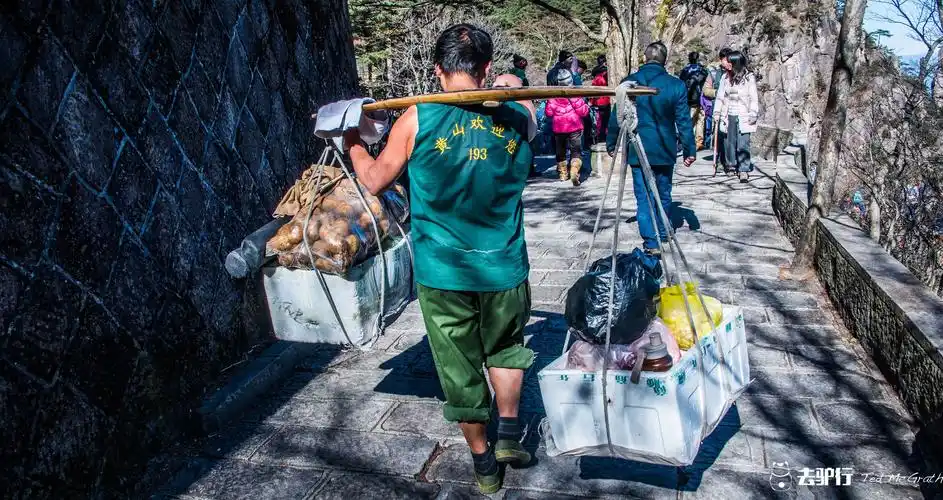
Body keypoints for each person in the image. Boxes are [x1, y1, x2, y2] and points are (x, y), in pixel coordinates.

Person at [343, 24, 537, 494]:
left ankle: (484, 464)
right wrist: (510, 87)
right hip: (504, 264)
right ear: (487, 68)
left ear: (437, 70)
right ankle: (509, 432)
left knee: (459, 365)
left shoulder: (417, 118)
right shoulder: (517, 115)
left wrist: (350, 139)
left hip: (444, 271)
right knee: (506, 346)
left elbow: (374, 180)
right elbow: (526, 103)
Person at [606, 41, 696, 256]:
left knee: (644, 195)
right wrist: (689, 149)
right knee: (664, 193)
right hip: (665, 147)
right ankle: (664, 231)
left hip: (638, 146)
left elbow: (617, 115)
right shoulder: (676, 85)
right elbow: (683, 121)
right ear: (665, 60)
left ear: (645, 58)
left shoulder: (629, 82)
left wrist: (611, 142)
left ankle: (651, 241)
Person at [712, 50, 759, 182]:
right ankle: (731, 165)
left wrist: (753, 113)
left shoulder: (749, 78)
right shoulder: (725, 78)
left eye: (731, 62)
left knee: (743, 143)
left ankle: (743, 169)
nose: (728, 64)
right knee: (729, 143)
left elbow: (753, 98)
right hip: (729, 114)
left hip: (744, 115)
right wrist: (717, 112)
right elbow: (720, 97)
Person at [545, 68, 589, 186]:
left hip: (559, 128)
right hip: (575, 126)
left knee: (561, 152)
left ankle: (563, 174)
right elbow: (584, 112)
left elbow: (548, 113)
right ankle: (574, 170)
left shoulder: (553, 96)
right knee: (576, 151)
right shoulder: (575, 95)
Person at [703, 48, 732, 170]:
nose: (727, 62)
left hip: (733, 108)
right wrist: (718, 93)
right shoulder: (714, 72)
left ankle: (731, 161)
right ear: (721, 59)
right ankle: (721, 160)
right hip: (719, 108)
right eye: (725, 59)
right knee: (720, 135)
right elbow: (706, 90)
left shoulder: (736, 70)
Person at [678, 51, 709, 150]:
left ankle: (687, 142)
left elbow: (681, 83)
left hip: (688, 98)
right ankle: (698, 142)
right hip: (701, 98)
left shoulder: (685, 70)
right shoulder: (702, 70)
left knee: (689, 121)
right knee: (700, 120)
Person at [591, 55, 611, 140]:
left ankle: (601, 134)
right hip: (604, 100)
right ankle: (603, 135)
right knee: (603, 119)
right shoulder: (603, 75)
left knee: (601, 119)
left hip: (599, 100)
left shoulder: (596, 75)